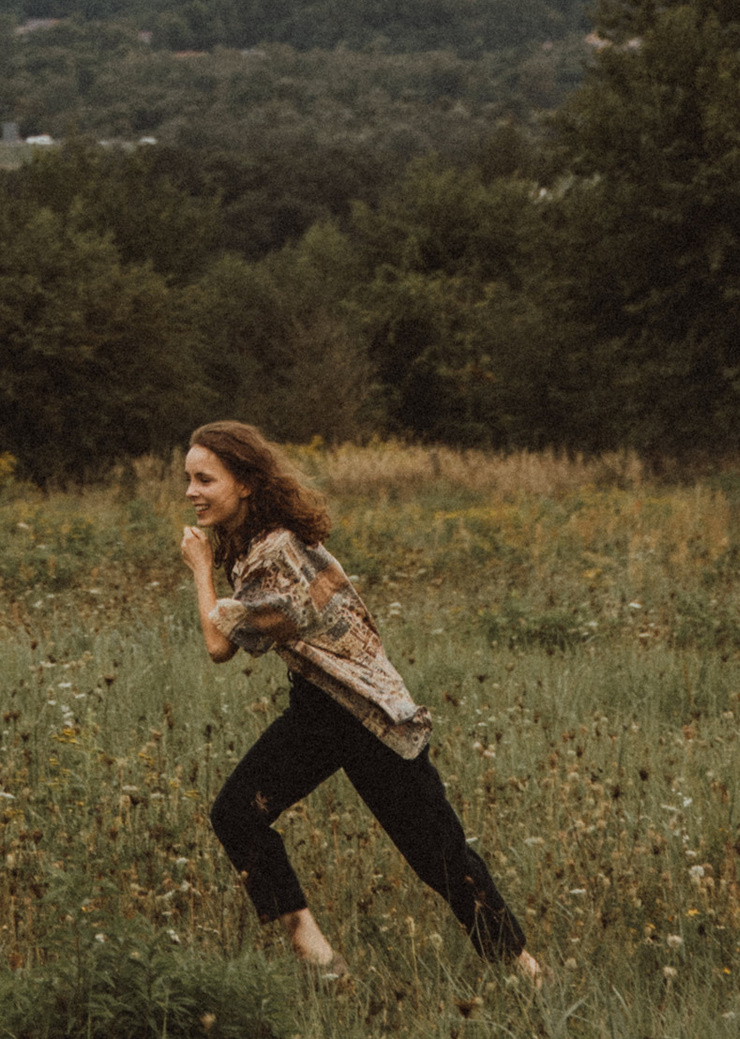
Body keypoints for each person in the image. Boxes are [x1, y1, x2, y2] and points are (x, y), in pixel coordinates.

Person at [178, 416, 539, 985]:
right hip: (333, 707)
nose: (192, 493)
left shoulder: (274, 551)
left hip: (357, 713)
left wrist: (199, 569)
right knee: (242, 815)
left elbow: (219, 644)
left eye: (205, 480)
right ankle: (323, 959)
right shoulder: (262, 542)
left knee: (437, 855)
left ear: (244, 483)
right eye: (189, 480)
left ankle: (519, 971)